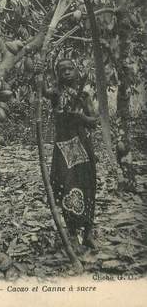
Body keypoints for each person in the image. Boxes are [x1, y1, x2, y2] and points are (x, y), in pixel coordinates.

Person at [42, 58, 98, 249]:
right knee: (66, 186)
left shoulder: (83, 95)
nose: (66, 72)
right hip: (63, 147)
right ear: (58, 74)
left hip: (81, 144)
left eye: (70, 68)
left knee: (87, 185)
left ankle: (88, 232)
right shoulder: (56, 93)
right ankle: (73, 233)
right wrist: (38, 70)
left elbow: (94, 121)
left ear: (77, 71)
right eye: (62, 69)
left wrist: (81, 117)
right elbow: (43, 90)